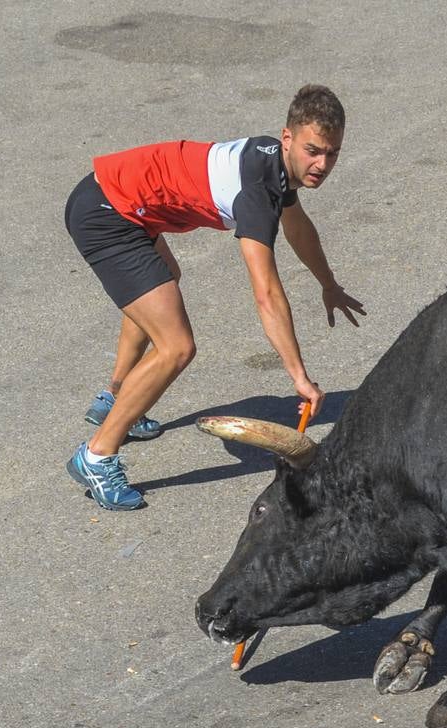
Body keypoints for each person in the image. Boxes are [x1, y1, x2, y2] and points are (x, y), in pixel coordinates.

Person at [62, 84, 365, 510]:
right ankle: (97, 455)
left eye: (332, 153)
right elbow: (267, 293)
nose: (322, 164)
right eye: (314, 150)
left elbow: (298, 227)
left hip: (115, 199)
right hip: (107, 215)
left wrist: (328, 283)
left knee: (163, 281)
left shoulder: (274, 164)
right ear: (287, 137)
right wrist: (298, 376)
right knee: (176, 346)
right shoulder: (257, 195)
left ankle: (116, 396)